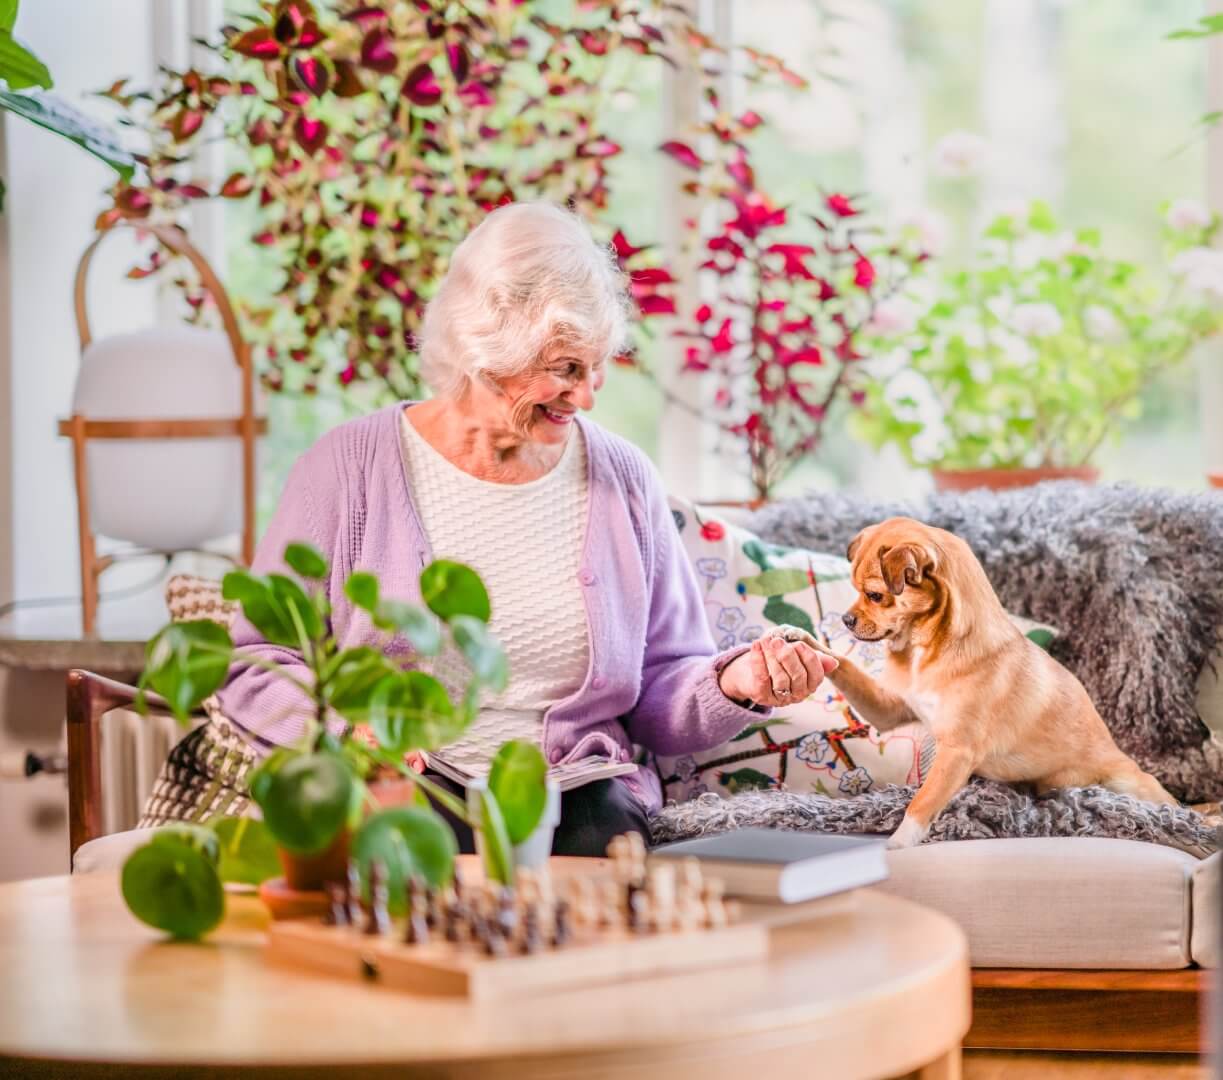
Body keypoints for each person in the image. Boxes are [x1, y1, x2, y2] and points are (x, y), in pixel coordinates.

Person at [140, 201, 836, 855]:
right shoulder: (347, 467)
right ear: (486, 348)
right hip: (394, 781)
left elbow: (663, 687)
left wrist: (736, 681)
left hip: (574, 794)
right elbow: (256, 659)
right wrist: (340, 734)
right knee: (404, 862)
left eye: (597, 368)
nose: (586, 396)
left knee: (601, 874)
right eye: (564, 369)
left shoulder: (623, 479)